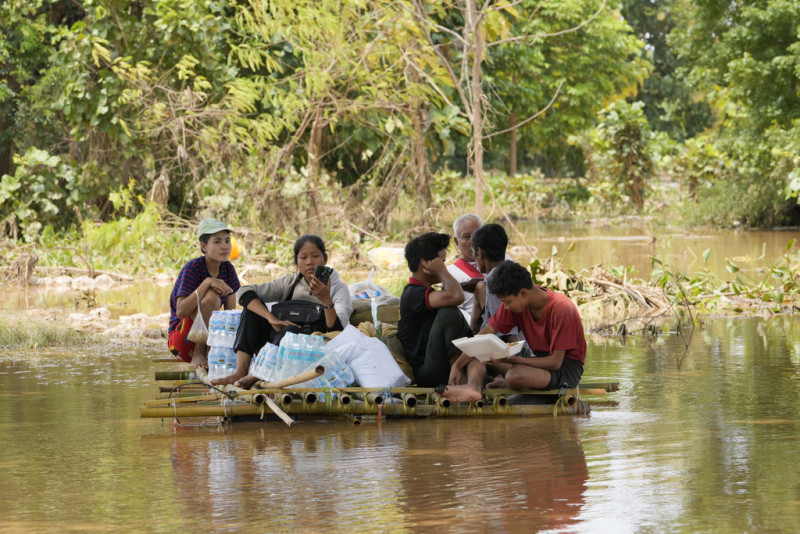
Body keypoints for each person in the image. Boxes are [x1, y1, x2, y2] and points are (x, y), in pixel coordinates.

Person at [211, 234, 352, 388]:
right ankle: (241, 371)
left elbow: (337, 331)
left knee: (291, 330)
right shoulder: (289, 282)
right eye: (303, 257)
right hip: (276, 344)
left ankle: (256, 375)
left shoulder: (338, 288)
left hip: (307, 351)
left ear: (324, 259)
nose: (309, 262)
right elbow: (244, 292)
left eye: (315, 256)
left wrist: (326, 300)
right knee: (252, 311)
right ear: (297, 262)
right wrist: (271, 317)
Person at [397, 232, 485, 402]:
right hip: (427, 370)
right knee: (449, 313)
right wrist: (444, 272)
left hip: (440, 361)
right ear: (425, 264)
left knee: (474, 347)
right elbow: (455, 297)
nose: (445, 266)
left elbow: (452, 294)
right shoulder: (412, 293)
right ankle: (462, 380)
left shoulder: (427, 293)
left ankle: (471, 387)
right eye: (442, 263)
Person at [480, 260, 586, 390]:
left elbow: (555, 362)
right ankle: (516, 382)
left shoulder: (561, 308)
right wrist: (457, 365)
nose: (505, 307)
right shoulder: (516, 303)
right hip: (538, 362)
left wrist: (516, 361)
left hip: (564, 368)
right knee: (485, 355)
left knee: (514, 376)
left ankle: (511, 383)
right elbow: (486, 331)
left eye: (508, 302)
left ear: (524, 293)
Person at [168, 218, 241, 368]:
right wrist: (207, 282)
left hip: (212, 343)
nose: (224, 246)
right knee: (211, 297)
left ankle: (209, 353)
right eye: (217, 242)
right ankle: (199, 354)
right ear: (204, 246)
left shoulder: (228, 270)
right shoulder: (192, 268)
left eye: (227, 241)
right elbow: (180, 312)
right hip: (182, 341)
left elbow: (230, 314)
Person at [446, 214, 484, 323]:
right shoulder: (451, 274)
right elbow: (457, 313)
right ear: (457, 242)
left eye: (477, 234)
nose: (474, 241)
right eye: (467, 237)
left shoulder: (502, 259)